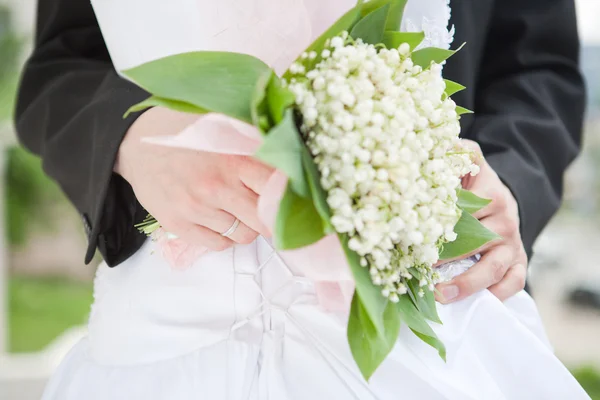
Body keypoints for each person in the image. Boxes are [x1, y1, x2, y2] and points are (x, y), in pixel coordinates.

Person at [15, 0, 588, 399]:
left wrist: (509, 182)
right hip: (166, 328)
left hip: (428, 303)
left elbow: (539, 64)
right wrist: (130, 140)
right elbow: (59, 65)